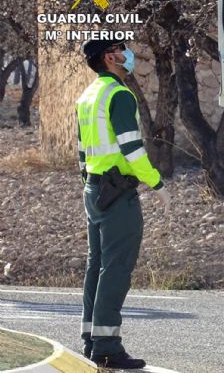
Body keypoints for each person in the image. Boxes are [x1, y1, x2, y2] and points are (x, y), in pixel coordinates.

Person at [76, 39, 170, 369]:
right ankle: (107, 347)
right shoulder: (118, 95)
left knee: (97, 267)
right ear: (110, 57)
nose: (127, 54)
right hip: (117, 194)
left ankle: (91, 340)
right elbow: (132, 150)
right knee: (116, 269)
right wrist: (157, 183)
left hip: (94, 189)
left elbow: (82, 152)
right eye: (121, 49)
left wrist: (91, 185)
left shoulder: (87, 96)